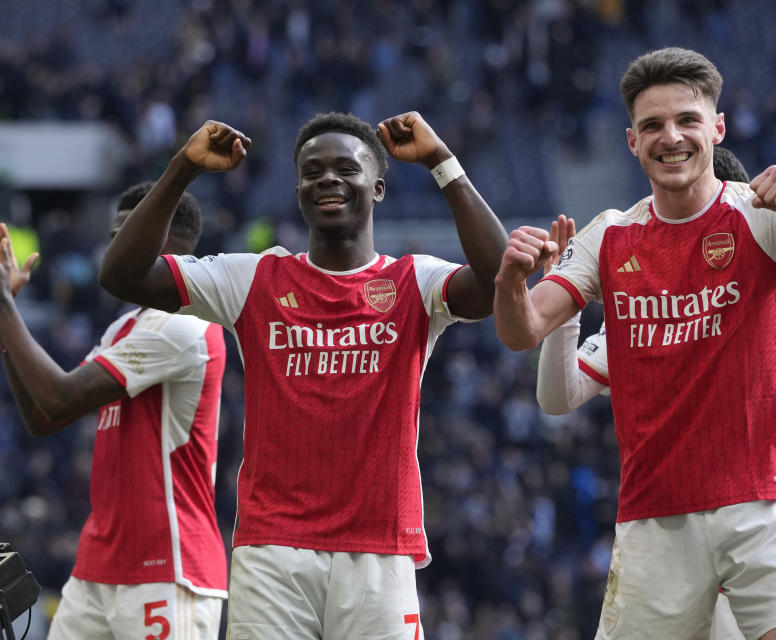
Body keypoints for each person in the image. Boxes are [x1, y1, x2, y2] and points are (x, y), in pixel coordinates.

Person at [493, 46, 776, 639]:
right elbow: (522, 329)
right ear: (631, 141)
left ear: (717, 128)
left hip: (764, 504)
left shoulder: (759, 216)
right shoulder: (609, 235)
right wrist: (509, 279)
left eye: (687, 120)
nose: (670, 137)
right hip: (655, 522)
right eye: (652, 125)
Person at [98, 111, 508, 638]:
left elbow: (501, 282)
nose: (328, 179)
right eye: (312, 172)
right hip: (272, 553)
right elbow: (121, 274)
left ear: (378, 187)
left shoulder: (414, 281)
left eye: (346, 168)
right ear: (298, 192)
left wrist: (439, 161)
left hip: (380, 551)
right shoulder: (252, 277)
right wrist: (182, 168)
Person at [536, 146, 752, 640]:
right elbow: (556, 398)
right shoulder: (643, 315)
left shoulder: (769, 295)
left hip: (748, 525)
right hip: (659, 532)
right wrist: (563, 296)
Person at [0, 183, 226, 640]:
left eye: (124, 233)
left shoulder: (184, 323)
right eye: (113, 236)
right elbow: (45, 417)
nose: (112, 248)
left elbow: (60, 397)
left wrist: (4, 307)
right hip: (100, 567)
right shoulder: (128, 324)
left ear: (160, 237)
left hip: (168, 568)